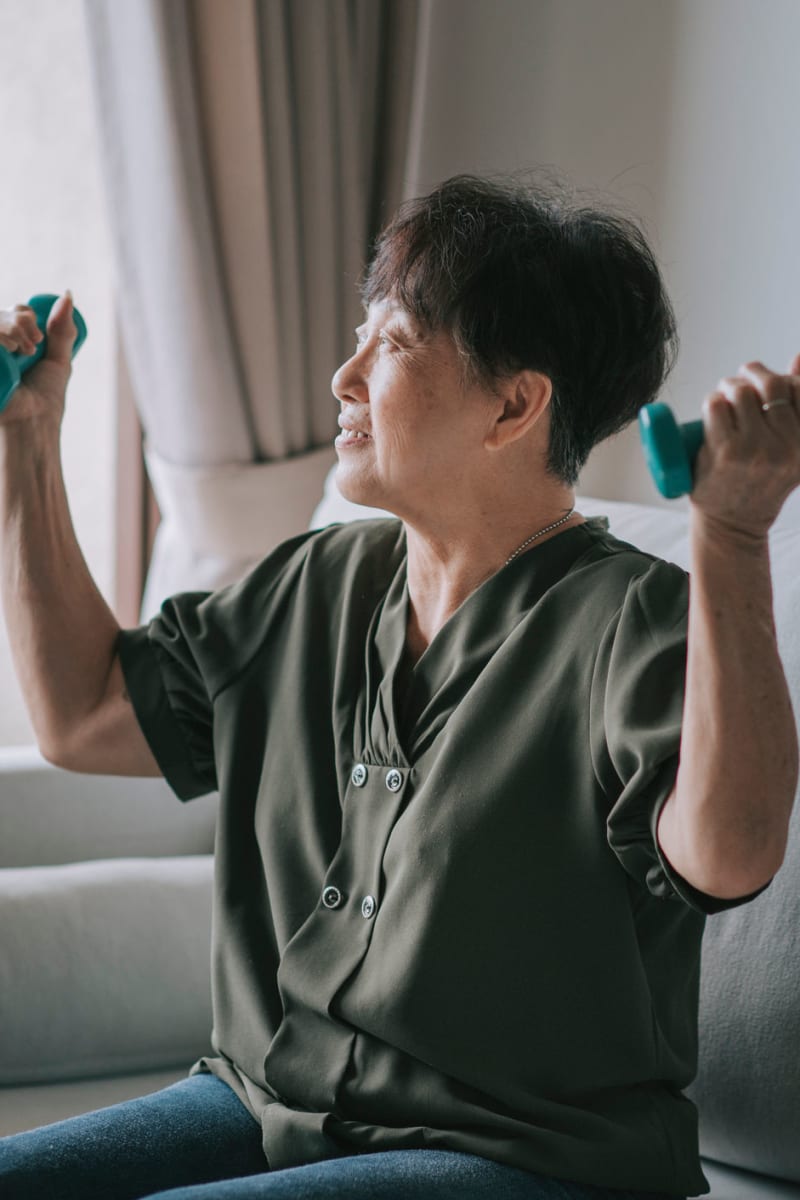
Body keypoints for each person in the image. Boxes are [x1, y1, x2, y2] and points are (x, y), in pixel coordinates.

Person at [0, 174, 798, 1200]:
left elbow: (727, 857)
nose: (343, 375)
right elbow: (83, 713)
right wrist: (27, 433)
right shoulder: (318, 578)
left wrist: (730, 535)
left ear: (513, 404)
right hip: (265, 1105)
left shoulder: (632, 620)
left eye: (393, 342)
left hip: (514, 1157)